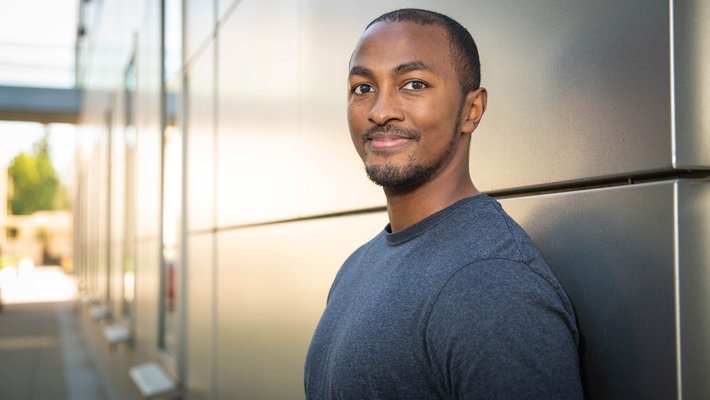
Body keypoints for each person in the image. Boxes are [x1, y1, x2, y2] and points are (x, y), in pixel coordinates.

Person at [305, 8, 583, 399]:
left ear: (472, 110)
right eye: (363, 88)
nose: (380, 110)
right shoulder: (358, 264)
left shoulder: (491, 284)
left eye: (414, 84)